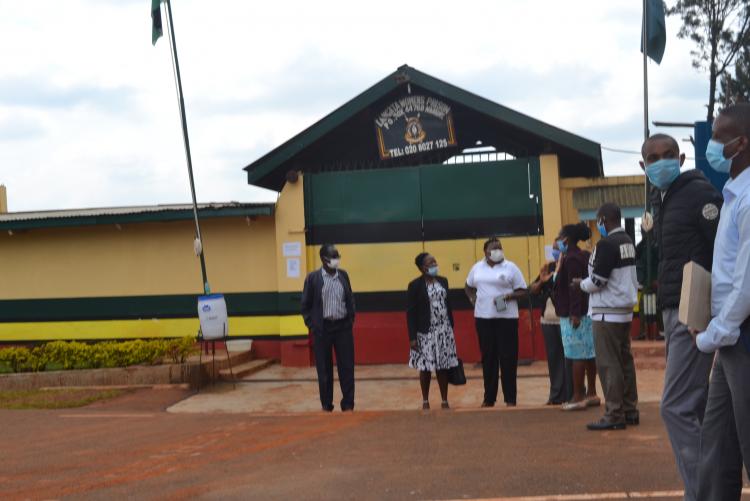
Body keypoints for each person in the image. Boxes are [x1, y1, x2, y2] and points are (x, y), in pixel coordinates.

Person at [639, 133, 721, 500]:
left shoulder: (699, 194)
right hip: (675, 309)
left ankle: (703, 492)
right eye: (653, 158)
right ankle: (713, 487)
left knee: (675, 407)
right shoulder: (663, 199)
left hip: (693, 311)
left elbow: (723, 253)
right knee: (696, 408)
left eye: (668, 155)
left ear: (682, 157)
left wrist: (709, 312)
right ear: (644, 167)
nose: (661, 162)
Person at [696, 103, 750, 501]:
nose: (711, 144)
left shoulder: (748, 198)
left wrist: (715, 333)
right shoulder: (733, 194)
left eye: (719, 136)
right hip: (730, 342)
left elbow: (747, 284)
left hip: (741, 337)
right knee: (716, 448)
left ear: (741, 142)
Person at [576, 203, 639, 431]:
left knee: (608, 364)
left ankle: (614, 414)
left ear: (604, 219)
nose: (597, 224)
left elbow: (598, 281)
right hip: (624, 312)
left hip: (607, 314)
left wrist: (580, 284)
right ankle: (630, 410)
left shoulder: (607, 244)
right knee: (625, 363)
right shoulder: (628, 242)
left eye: (598, 220)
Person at [465, 237, 527, 407]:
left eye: (500, 247)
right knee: (488, 359)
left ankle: (510, 399)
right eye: (494, 248)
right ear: (486, 252)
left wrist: (508, 296)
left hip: (506, 320)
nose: (498, 250)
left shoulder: (511, 267)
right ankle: (489, 398)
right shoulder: (477, 267)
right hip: (483, 319)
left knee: (508, 358)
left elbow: (523, 291)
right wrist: (472, 298)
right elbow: (468, 285)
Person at [301, 244, 356, 412]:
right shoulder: (313, 279)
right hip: (322, 329)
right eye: (333, 256)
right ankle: (326, 405)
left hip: (343, 328)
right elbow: (305, 305)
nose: (336, 259)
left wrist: (350, 319)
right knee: (324, 370)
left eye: (337, 256)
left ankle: (348, 404)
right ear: (324, 259)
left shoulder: (343, 276)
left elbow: (350, 299)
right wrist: (313, 325)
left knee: (346, 367)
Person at [552, 223, 599, 411]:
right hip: (585, 312)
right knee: (589, 353)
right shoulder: (581, 255)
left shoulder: (571, 259)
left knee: (576, 355)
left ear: (566, 239)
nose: (556, 241)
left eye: (559, 236)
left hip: (575, 314)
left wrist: (574, 313)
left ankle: (578, 395)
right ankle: (592, 393)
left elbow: (574, 288)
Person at [406, 252, 460, 410]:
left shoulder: (443, 281)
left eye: (435, 261)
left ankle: (444, 400)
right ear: (422, 268)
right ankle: (425, 400)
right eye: (430, 262)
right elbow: (410, 313)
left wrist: (451, 326)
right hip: (425, 332)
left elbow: (448, 305)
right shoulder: (415, 285)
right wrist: (412, 337)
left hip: (444, 331)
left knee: (443, 367)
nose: (434, 264)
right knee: (425, 367)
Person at [529, 256, 573, 405]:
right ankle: (555, 395)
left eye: (558, 248)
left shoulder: (569, 266)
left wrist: (556, 275)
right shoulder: (549, 267)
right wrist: (542, 280)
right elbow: (533, 290)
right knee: (554, 359)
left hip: (564, 320)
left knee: (569, 359)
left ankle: (571, 394)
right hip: (547, 321)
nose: (556, 252)